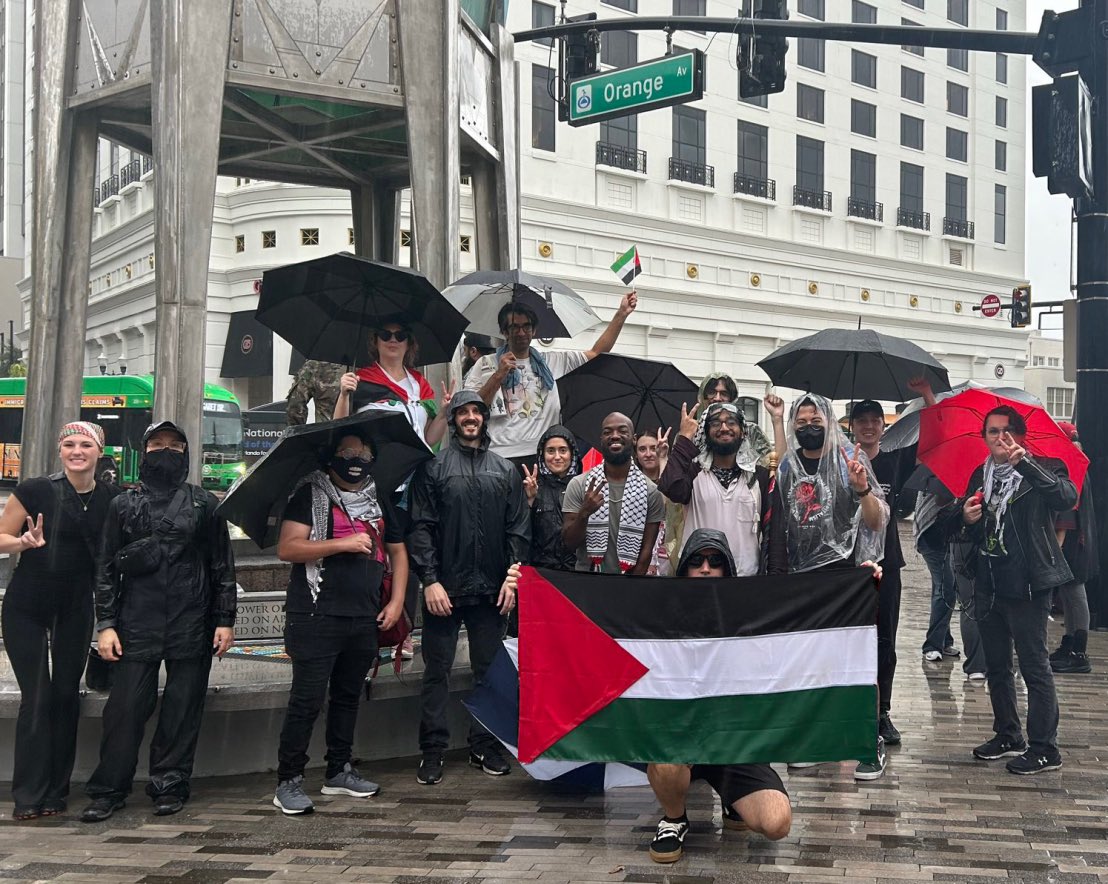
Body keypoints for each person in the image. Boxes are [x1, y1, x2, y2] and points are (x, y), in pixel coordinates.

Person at [80, 421, 237, 822]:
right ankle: (109, 788)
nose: (166, 451)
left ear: (186, 452)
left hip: (192, 618)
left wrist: (224, 619)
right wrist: (106, 624)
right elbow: (105, 568)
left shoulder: (204, 503)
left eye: (174, 445)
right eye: (157, 444)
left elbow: (222, 565)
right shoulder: (123, 504)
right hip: (136, 620)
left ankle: (170, 783)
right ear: (143, 451)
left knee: (183, 709)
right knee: (125, 710)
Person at [271, 431, 409, 815]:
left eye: (364, 453)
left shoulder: (378, 498)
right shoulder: (309, 494)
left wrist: (397, 601)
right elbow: (288, 547)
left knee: (349, 696)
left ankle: (338, 770)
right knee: (307, 700)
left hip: (363, 615)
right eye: (348, 452)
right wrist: (342, 544)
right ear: (332, 456)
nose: (356, 459)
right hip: (316, 614)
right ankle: (289, 780)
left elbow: (398, 551)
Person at [646, 529, 792, 864]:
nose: (706, 568)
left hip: (734, 743)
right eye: (696, 561)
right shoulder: (658, 615)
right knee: (667, 763)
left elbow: (806, 615)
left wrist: (860, 585)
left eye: (715, 561)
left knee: (777, 822)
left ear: (727, 570)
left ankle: (732, 798)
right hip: (680, 738)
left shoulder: (751, 617)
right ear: (684, 568)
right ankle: (673, 818)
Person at [407, 391, 530, 786]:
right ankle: (432, 750)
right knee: (436, 673)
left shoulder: (504, 470)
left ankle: (484, 745)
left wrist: (512, 578)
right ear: (454, 419)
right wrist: (429, 580)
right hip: (443, 589)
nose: (471, 417)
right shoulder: (433, 468)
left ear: (485, 418)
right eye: (464, 412)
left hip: (492, 590)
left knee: (489, 673)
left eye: (477, 411)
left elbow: (518, 530)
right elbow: (420, 528)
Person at [766, 394, 889, 780]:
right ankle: (818, 740)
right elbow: (779, 524)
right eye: (801, 422)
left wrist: (862, 489)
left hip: (847, 577)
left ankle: (869, 741)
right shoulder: (788, 466)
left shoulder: (850, 460)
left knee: (856, 663)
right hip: (804, 580)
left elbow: (876, 523)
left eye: (815, 420)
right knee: (813, 663)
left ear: (830, 422)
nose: (808, 427)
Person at [0, 422, 119, 820]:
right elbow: (1, 535)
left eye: (85, 444)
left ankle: (55, 790)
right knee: (37, 696)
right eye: (68, 444)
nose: (76, 451)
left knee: (66, 695)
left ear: (99, 451)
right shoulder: (36, 490)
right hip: (27, 607)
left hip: (75, 607)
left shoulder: (111, 498)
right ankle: (28, 795)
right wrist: (22, 542)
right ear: (60, 450)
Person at [957, 406, 1076, 774]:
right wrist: (967, 517)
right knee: (997, 666)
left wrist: (1025, 464)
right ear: (984, 437)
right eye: (992, 431)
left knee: (1034, 666)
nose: (1000, 437)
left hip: (1028, 583)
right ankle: (1008, 734)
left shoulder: (1045, 466)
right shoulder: (981, 474)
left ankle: (1045, 748)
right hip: (990, 581)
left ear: (1021, 435)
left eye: (1007, 430)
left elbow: (1065, 497)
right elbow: (968, 526)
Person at [463, 293, 637, 460]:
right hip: (499, 454)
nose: (521, 333)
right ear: (504, 331)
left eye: (527, 326)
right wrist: (498, 376)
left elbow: (596, 353)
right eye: (514, 327)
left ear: (534, 330)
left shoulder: (552, 361)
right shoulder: (486, 363)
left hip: (543, 454)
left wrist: (621, 314)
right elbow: (471, 408)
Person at [848, 399, 917, 752]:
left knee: (884, 639)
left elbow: (927, 443)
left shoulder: (895, 461)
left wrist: (928, 397)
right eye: (862, 420)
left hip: (887, 562)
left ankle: (882, 711)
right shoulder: (840, 462)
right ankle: (848, 709)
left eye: (875, 420)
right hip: (848, 565)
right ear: (852, 425)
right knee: (847, 637)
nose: (869, 426)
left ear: (883, 426)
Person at [658, 402, 772, 578]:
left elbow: (772, 534)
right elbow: (671, 488)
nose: (724, 428)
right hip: (699, 574)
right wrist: (685, 437)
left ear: (743, 431)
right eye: (716, 423)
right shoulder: (693, 471)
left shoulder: (759, 476)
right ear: (706, 432)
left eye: (731, 422)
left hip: (746, 578)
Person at [562, 412, 665, 575]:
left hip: (629, 583)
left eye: (622, 431)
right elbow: (569, 544)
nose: (615, 436)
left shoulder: (651, 491)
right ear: (601, 439)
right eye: (607, 432)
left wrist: (628, 587)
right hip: (587, 580)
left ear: (634, 439)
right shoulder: (579, 485)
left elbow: (646, 552)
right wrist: (584, 513)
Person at [333, 321, 449, 448]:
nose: (393, 340)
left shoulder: (420, 383)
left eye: (400, 336)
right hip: (376, 458)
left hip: (417, 458)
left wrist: (444, 412)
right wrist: (344, 395)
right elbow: (339, 428)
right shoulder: (359, 380)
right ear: (375, 342)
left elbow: (429, 438)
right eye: (385, 335)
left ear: (408, 344)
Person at [1049, 425, 1099, 674]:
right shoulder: (1076, 461)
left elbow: (1068, 510)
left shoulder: (1070, 465)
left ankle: (1078, 653)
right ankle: (1070, 644)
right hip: (1077, 540)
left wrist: (1055, 548)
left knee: (1075, 595)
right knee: (1070, 596)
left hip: (1071, 542)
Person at [522, 425, 580, 572]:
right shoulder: (534, 487)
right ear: (543, 455)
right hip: (542, 572)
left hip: (577, 570)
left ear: (572, 453)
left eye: (563, 450)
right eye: (551, 451)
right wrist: (530, 501)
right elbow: (523, 533)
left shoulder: (582, 486)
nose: (557, 457)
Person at [697, 372, 785, 466]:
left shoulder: (750, 431)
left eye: (724, 393)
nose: (717, 398)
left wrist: (777, 419)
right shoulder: (694, 431)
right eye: (712, 393)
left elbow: (776, 466)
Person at [286, 359, 345, 425]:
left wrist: (298, 430)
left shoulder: (315, 365)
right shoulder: (355, 365)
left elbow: (295, 405)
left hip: (326, 429)